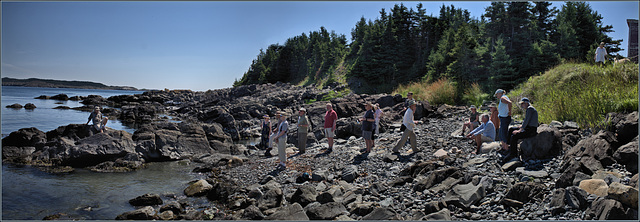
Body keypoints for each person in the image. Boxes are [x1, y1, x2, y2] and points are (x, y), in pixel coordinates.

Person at [504, 97, 539, 162]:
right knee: (511, 129)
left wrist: (520, 130)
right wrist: (521, 126)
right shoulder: (529, 109)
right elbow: (527, 121)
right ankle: (508, 146)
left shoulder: (530, 109)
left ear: (526, 103)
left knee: (514, 136)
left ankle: (513, 154)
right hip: (529, 127)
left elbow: (526, 120)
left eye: (522, 104)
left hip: (531, 130)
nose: (521, 105)